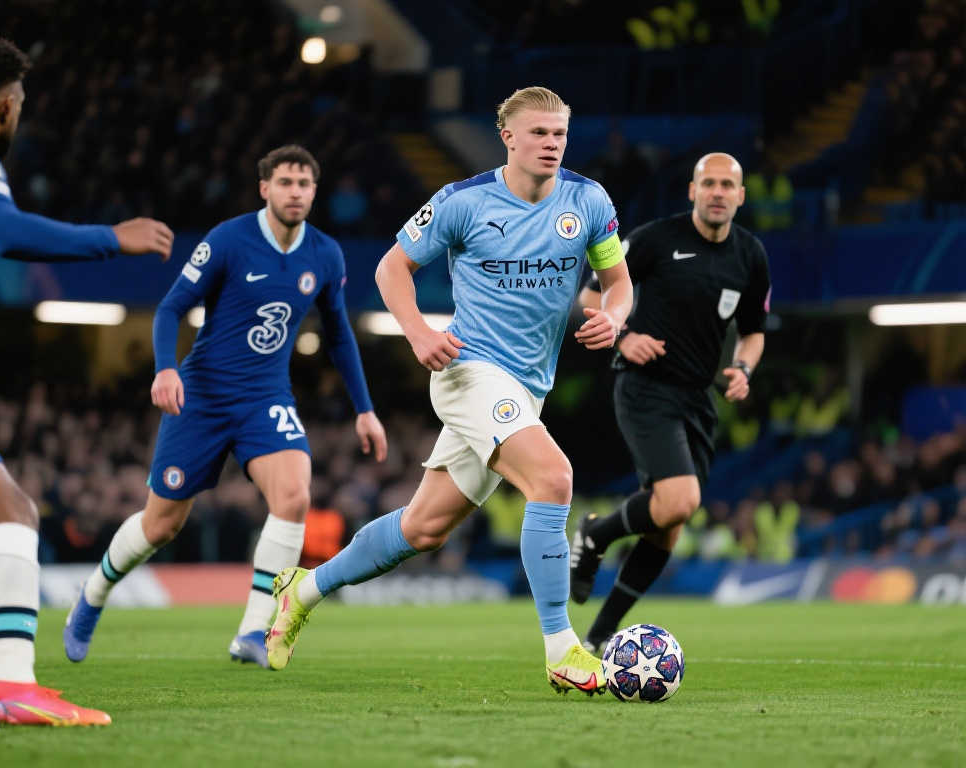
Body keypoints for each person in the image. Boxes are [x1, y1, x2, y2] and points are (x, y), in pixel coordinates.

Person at [263, 86, 633, 695]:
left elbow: (617, 281)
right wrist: (418, 332)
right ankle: (562, 648)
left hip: (527, 386)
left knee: (424, 529)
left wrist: (614, 317)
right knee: (554, 478)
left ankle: (302, 590)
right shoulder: (463, 202)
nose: (551, 144)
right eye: (538, 133)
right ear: (508, 137)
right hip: (469, 371)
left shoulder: (588, 201)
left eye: (560, 134)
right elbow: (391, 267)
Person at [63, 145, 387, 669]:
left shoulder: (325, 254)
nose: (295, 193)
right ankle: (93, 594)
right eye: (285, 183)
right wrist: (165, 368)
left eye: (304, 184)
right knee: (160, 525)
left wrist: (364, 409)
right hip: (204, 397)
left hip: (266, 397)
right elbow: (170, 308)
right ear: (265, 188)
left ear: (314, 191)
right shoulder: (229, 240)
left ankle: (253, 631)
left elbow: (339, 335)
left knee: (294, 495)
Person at [0, 35, 173, 726]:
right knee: (7, 512)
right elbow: (6, 232)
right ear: (7, 106)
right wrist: (112, 238)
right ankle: (11, 690)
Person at [570, 152, 771, 653]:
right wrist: (624, 337)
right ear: (693, 191)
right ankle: (596, 534)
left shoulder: (751, 255)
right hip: (645, 386)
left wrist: (744, 369)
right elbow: (590, 299)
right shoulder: (656, 239)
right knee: (681, 500)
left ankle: (598, 636)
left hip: (698, 398)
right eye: (710, 183)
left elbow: (753, 332)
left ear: (741, 196)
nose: (718, 192)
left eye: (728, 185)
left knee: (669, 523)